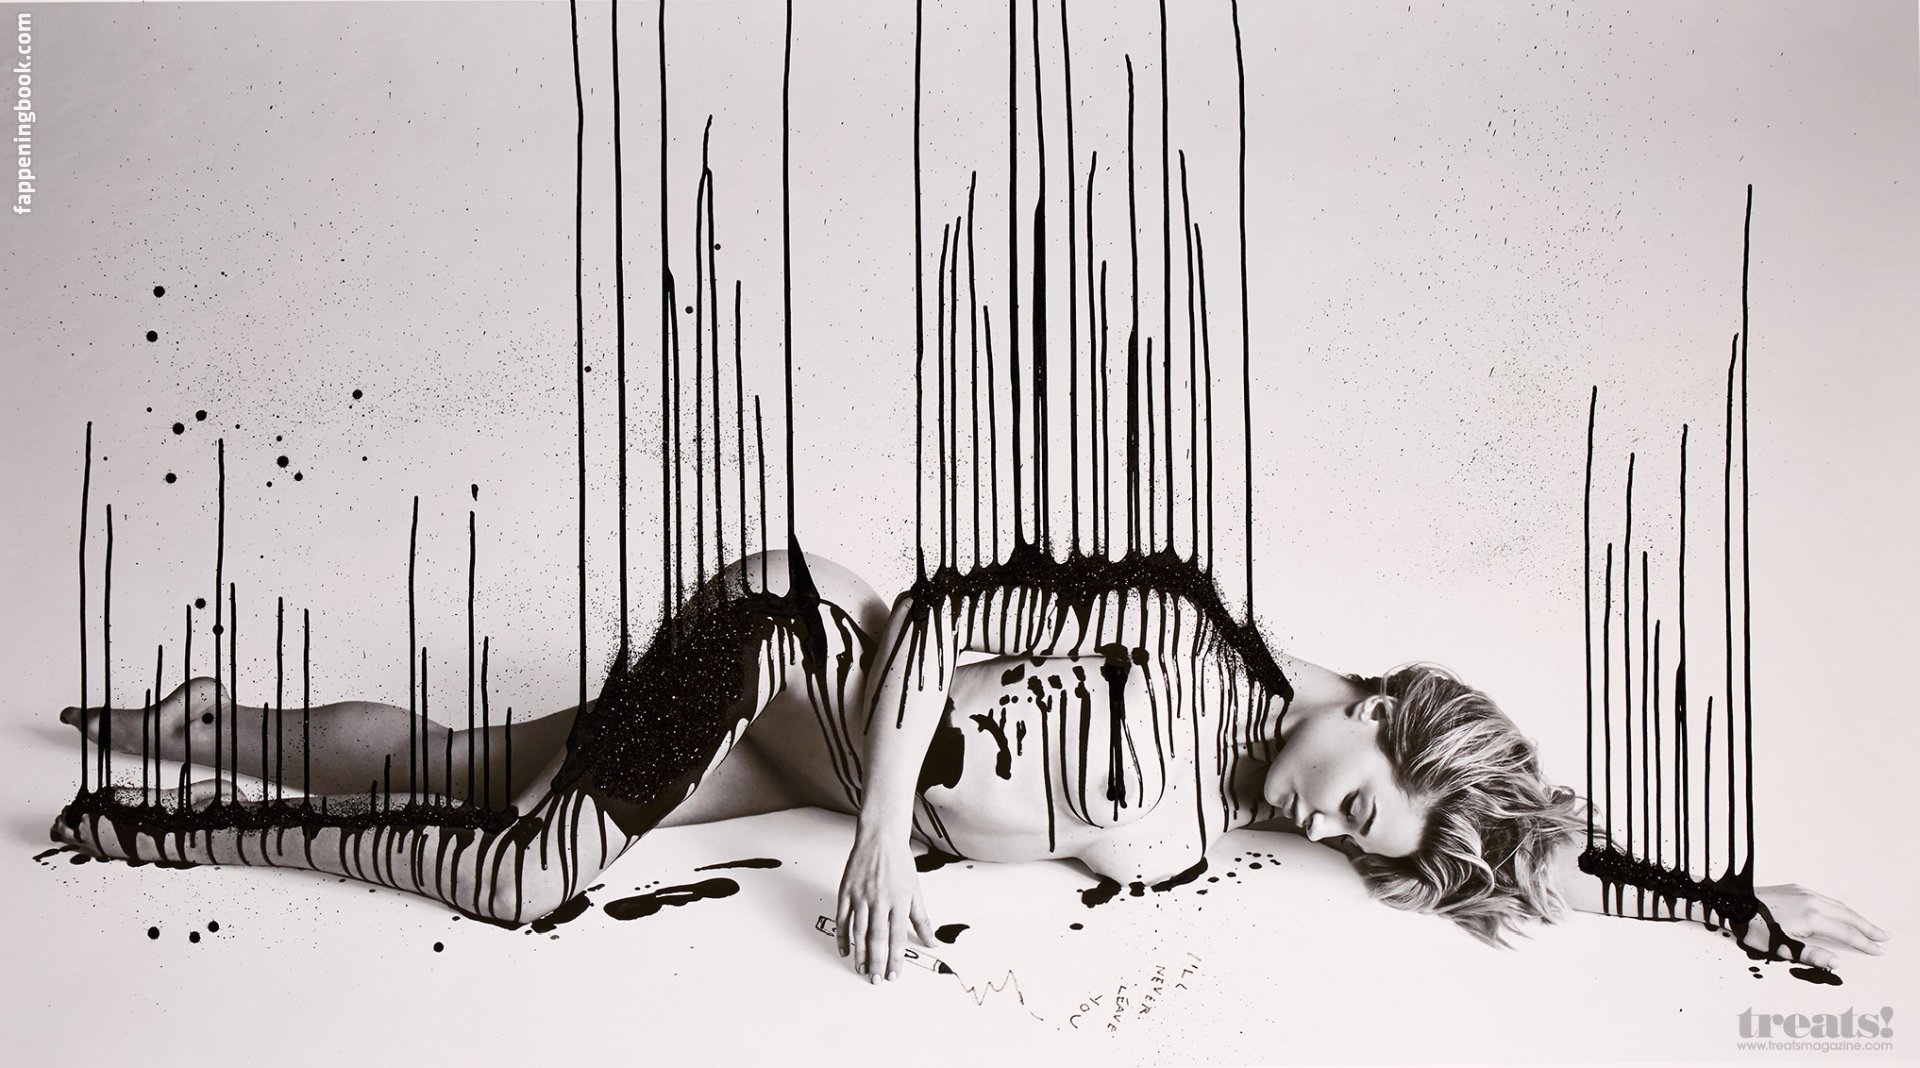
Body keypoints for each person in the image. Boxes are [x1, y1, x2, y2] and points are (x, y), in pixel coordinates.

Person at [53, 549, 1886, 983]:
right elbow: (934, 614)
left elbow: (1538, 851)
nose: (1318, 825)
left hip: (801, 756)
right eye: (1350, 798)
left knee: (473, 768)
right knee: (532, 873)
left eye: (1349, 839)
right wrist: (875, 846)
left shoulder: (1270, 784)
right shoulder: (1194, 627)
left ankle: (198, 723)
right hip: (793, 652)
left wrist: (1727, 906)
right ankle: (154, 832)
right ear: (1380, 703)